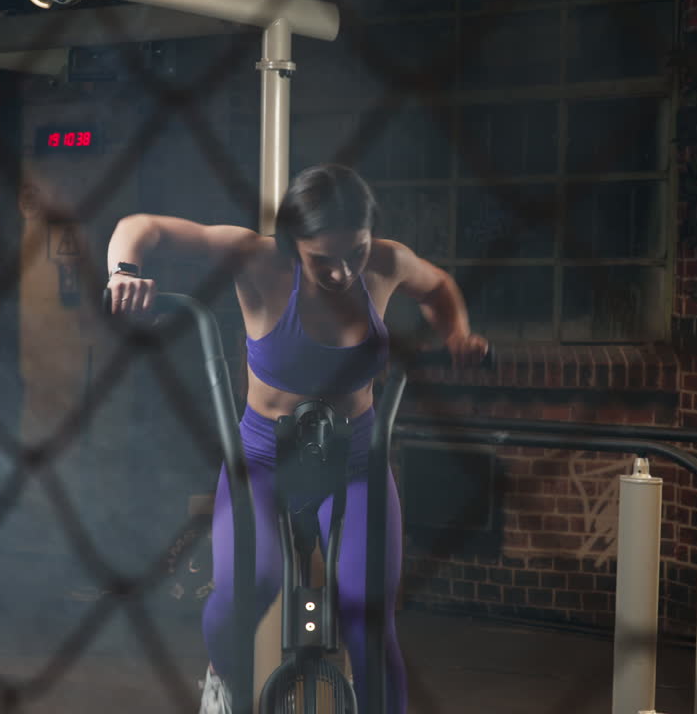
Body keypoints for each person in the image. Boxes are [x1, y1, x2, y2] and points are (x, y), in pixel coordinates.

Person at [105, 163, 488, 714]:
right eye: (321, 260)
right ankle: (221, 681)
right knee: (246, 588)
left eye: (353, 253)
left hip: (357, 459)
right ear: (291, 244)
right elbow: (143, 225)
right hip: (263, 460)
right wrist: (123, 270)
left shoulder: (386, 260)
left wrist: (457, 333)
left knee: (367, 612)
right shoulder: (254, 257)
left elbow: (439, 287)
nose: (340, 273)